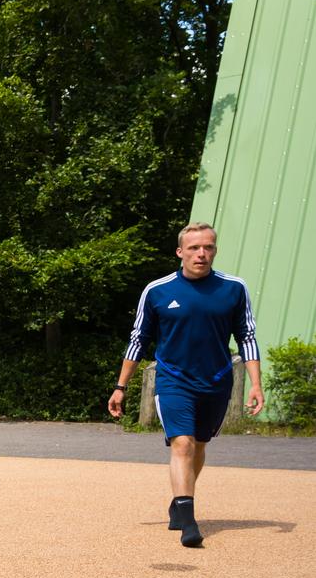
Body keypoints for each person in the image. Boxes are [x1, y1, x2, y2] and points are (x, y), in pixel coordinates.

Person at [108, 222, 263, 548]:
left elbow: (247, 336)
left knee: (199, 446)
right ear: (180, 252)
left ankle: (179, 500)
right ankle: (188, 520)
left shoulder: (234, 288)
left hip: (217, 381)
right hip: (173, 380)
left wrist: (255, 384)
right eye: (194, 248)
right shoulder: (157, 290)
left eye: (207, 247)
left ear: (215, 250)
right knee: (182, 444)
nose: (201, 254)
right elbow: (138, 340)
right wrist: (120, 387)